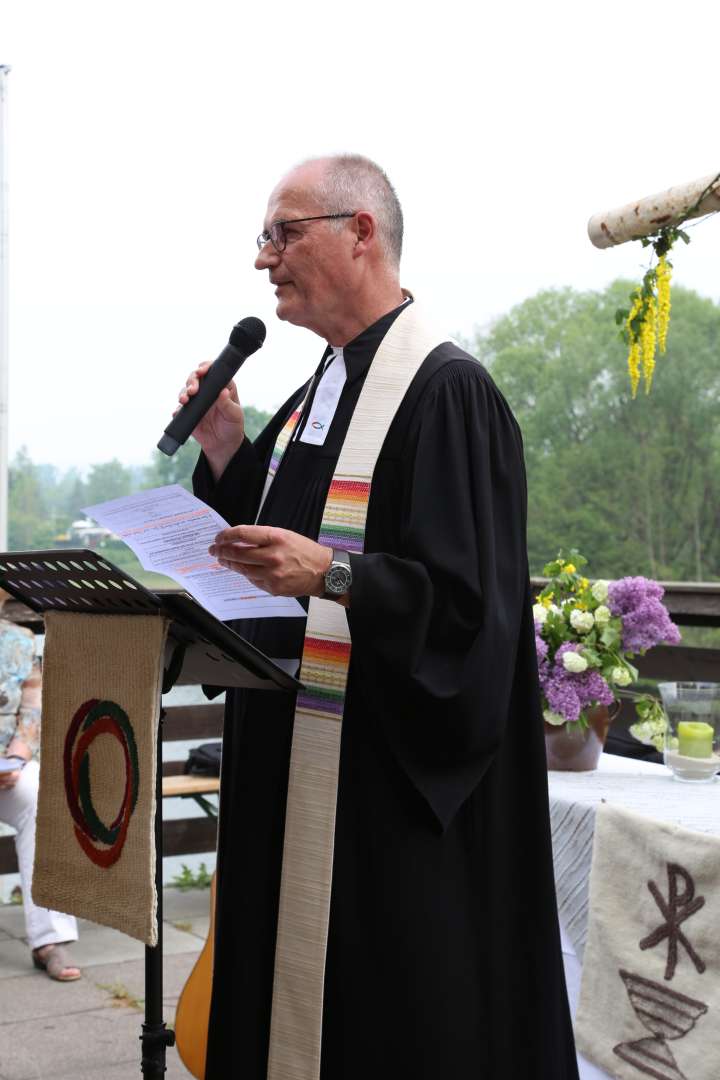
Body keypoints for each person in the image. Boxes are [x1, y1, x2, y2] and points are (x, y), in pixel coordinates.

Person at [183, 155, 578, 1079]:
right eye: (264, 238)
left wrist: (337, 576)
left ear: (361, 231)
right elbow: (284, 549)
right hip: (288, 758)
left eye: (283, 233)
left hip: (381, 794)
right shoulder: (317, 391)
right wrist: (232, 454)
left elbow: (471, 613)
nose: (263, 259)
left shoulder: (446, 394)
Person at [0, 595, 81, 981]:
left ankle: (50, 939)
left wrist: (17, 753)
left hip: (6, 771)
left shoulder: (19, 641)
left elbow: (33, 703)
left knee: (42, 800)